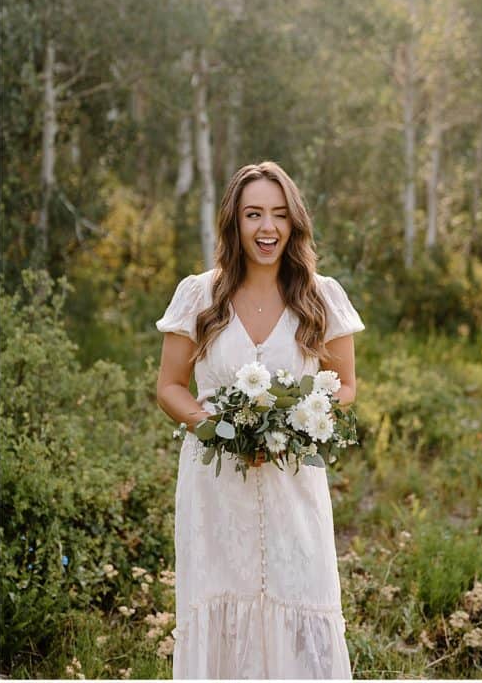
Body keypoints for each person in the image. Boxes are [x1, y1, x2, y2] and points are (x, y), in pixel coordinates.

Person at [155, 162, 364, 678]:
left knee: (300, 601)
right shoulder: (198, 295)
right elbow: (169, 387)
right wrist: (219, 430)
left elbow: (346, 386)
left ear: (294, 223)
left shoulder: (321, 296)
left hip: (294, 488)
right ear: (234, 222)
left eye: (278, 214)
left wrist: (296, 425)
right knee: (221, 605)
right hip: (215, 489)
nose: (266, 228)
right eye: (253, 215)